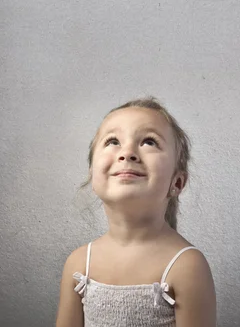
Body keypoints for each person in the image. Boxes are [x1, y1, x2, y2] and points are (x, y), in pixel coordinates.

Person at [55, 96, 217, 327]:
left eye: (149, 142)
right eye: (113, 141)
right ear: (93, 176)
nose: (128, 153)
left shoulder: (187, 266)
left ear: (177, 183)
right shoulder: (80, 263)